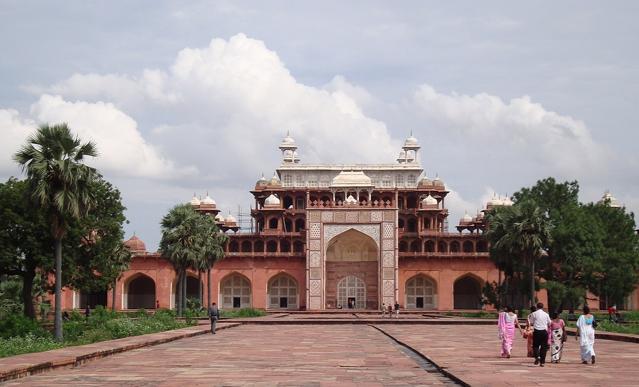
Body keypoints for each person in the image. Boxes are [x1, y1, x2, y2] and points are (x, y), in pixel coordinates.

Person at [529, 302, 551, 366]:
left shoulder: (534, 314)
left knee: (535, 345)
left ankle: (537, 356)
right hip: (544, 332)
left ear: (537, 307)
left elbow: (531, 322)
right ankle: (542, 362)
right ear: (542, 307)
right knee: (544, 347)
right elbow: (549, 323)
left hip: (537, 331)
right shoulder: (546, 314)